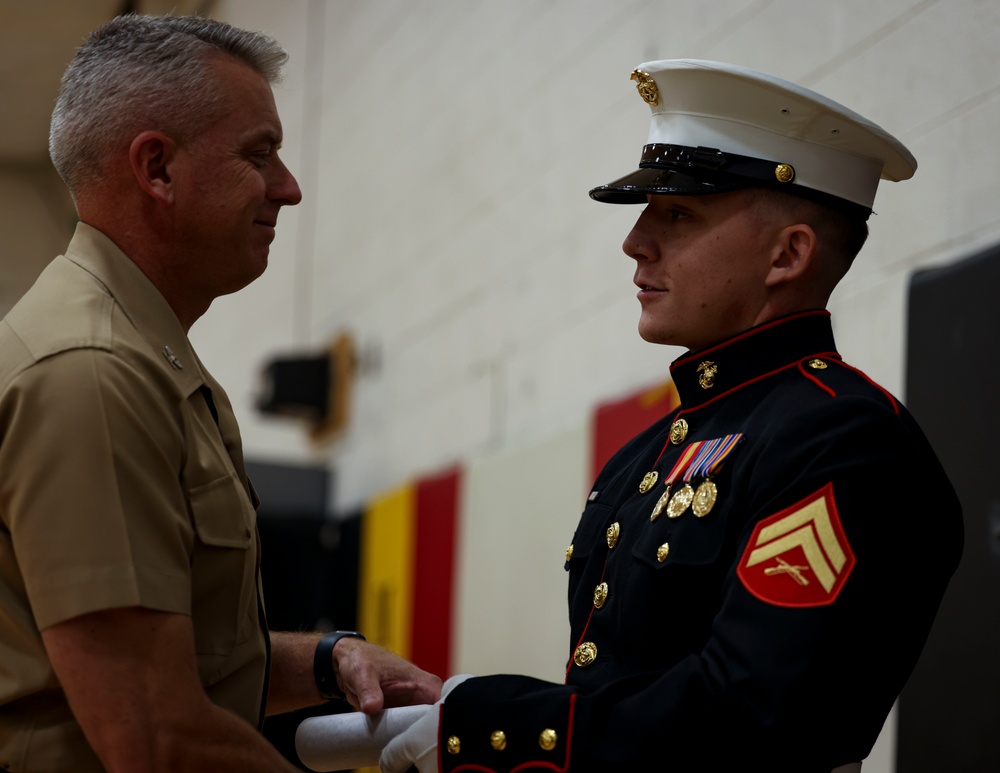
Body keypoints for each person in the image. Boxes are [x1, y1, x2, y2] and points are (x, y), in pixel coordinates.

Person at [378, 60, 964, 773]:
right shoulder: (650, 452)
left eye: (678, 214)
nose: (635, 242)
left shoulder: (843, 439)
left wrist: (502, 727)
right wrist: (469, 702)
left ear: (789, 254)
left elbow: (749, 715)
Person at [0, 14, 440, 772]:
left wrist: (327, 660)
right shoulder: (93, 371)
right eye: (258, 154)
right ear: (158, 169)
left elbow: (175, 654)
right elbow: (153, 736)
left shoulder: (144, 356)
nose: (289, 187)